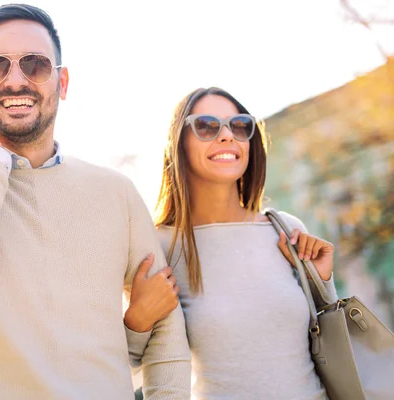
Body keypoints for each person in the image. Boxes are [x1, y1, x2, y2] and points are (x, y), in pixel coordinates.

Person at [0, 4, 191, 399]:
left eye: (36, 65)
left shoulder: (116, 192)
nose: (16, 81)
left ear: (61, 82)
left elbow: (166, 329)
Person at [125, 87, 339, 399]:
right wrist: (137, 320)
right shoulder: (157, 246)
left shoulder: (286, 230)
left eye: (239, 125)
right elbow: (121, 370)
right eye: (207, 126)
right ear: (178, 142)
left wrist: (321, 281)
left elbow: (330, 342)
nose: (227, 136)